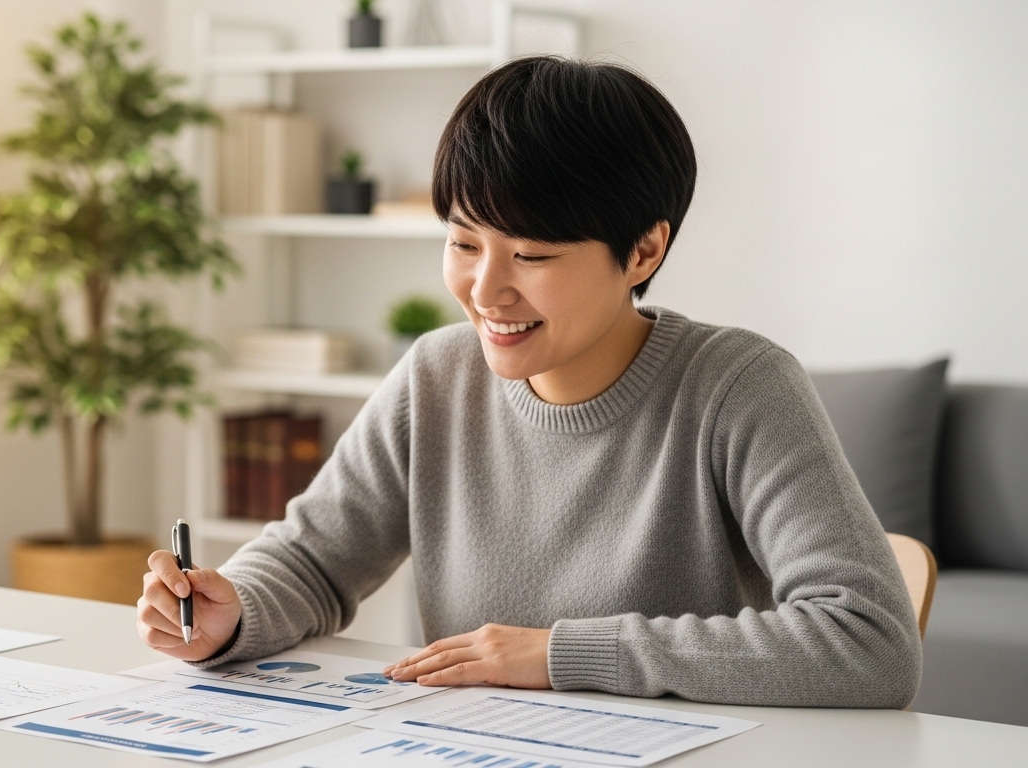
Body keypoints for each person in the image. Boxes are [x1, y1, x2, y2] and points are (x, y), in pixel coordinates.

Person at [136, 56, 921, 708]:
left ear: (644, 252)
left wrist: (562, 654)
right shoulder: (436, 376)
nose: (485, 289)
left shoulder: (738, 387)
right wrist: (231, 611)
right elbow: (312, 561)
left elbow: (869, 642)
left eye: (532, 256)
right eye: (463, 242)